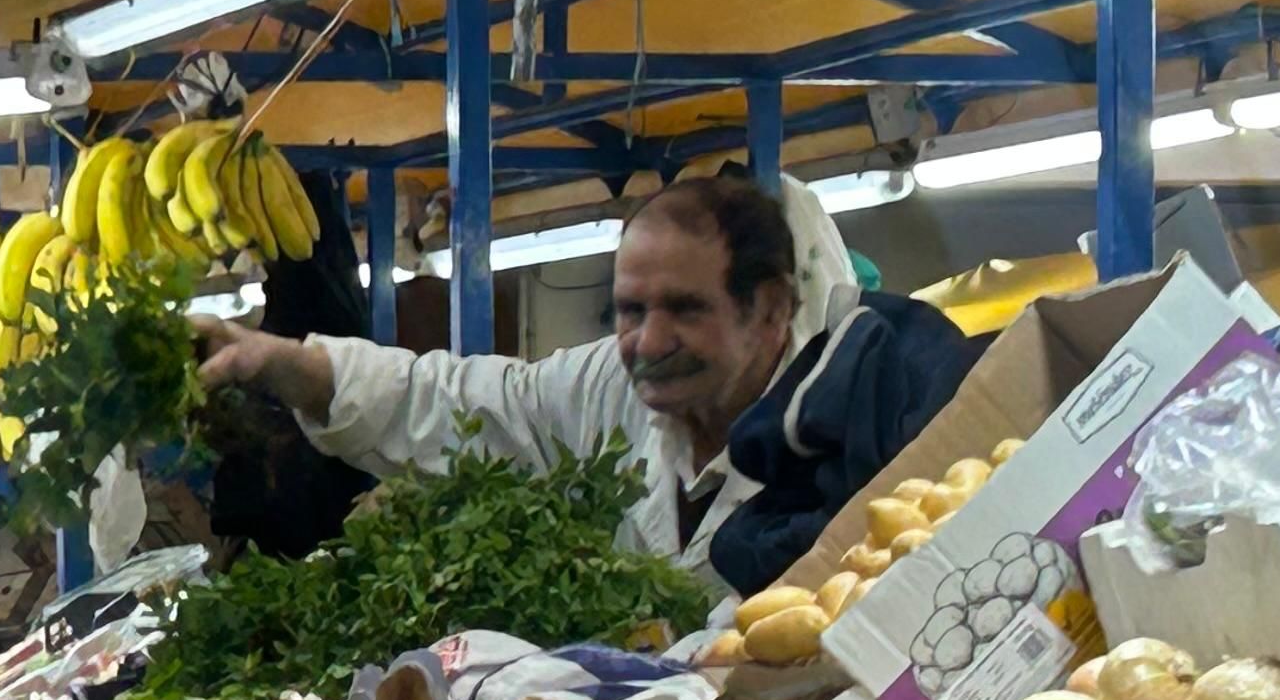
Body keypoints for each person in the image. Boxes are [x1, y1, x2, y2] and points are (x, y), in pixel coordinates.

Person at [197, 173, 982, 600]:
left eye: (685, 310)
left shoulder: (863, 419)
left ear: (771, 308)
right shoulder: (608, 387)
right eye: (630, 310)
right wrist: (280, 362)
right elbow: (456, 401)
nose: (648, 342)